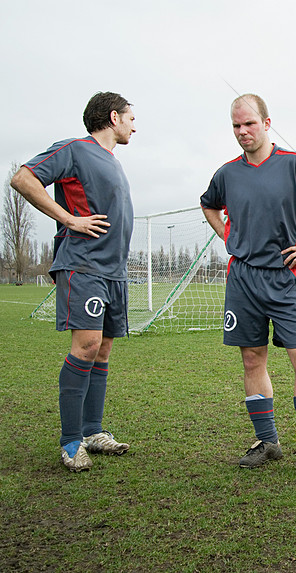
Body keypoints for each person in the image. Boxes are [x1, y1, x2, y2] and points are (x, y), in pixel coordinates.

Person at [201, 94, 296, 474]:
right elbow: (209, 204)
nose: (242, 131)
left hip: (287, 277)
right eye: (236, 126)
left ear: (267, 123)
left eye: (249, 123)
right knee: (252, 358)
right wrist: (226, 233)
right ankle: (267, 441)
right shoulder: (227, 173)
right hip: (243, 279)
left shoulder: (295, 165)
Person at [11, 92, 136, 472]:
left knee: (102, 350)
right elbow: (23, 178)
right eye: (131, 117)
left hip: (113, 271)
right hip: (83, 264)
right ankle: (70, 441)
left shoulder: (112, 161)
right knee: (86, 345)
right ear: (113, 117)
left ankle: (92, 431)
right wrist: (68, 219)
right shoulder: (73, 149)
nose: (135, 124)